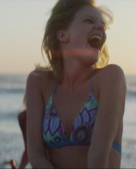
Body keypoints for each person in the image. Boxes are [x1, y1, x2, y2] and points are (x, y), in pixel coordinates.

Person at [25, 0, 126, 168]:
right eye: (89, 21)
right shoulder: (38, 82)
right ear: (62, 35)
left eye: (103, 26)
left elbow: (98, 154)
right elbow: (36, 154)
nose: (100, 28)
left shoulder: (110, 77)